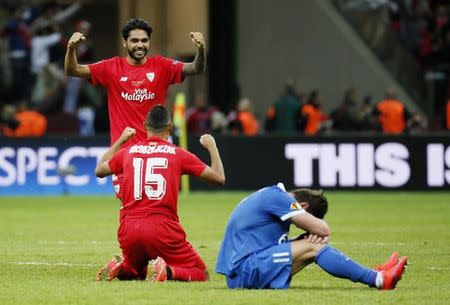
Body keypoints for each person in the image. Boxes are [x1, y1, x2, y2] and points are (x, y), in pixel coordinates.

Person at [65, 18, 206, 198]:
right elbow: (73, 70)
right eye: (135, 40)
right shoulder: (111, 67)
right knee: (131, 210)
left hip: (158, 153)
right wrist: (71, 49)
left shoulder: (162, 66)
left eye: (144, 40)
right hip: (125, 157)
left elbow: (195, 68)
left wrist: (201, 50)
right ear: (124, 42)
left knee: (159, 210)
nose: (140, 45)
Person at [94, 105, 225, 282]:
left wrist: (121, 140)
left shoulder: (128, 152)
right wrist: (212, 146)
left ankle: (122, 268)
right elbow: (219, 178)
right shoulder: (178, 154)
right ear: (170, 127)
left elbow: (99, 170)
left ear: (144, 125)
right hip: (162, 229)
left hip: (129, 230)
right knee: (200, 272)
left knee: (137, 273)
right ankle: (168, 272)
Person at [216, 184, 407, 290]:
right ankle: (379, 279)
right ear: (304, 207)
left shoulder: (269, 195)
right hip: (245, 272)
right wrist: (313, 234)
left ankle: (374, 273)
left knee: (308, 247)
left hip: (243, 271)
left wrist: (302, 240)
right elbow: (323, 230)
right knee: (314, 246)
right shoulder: (279, 197)